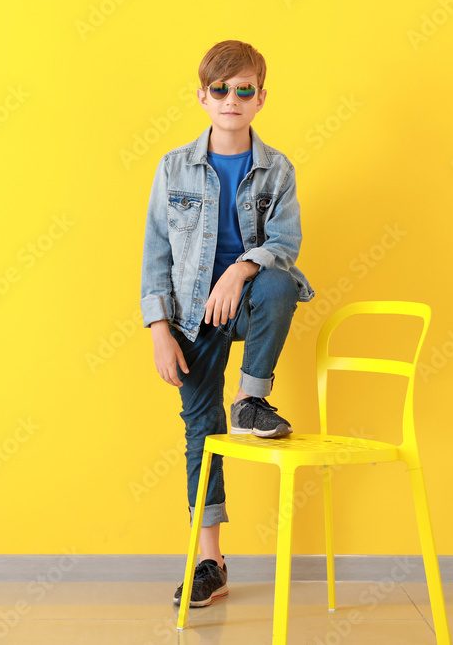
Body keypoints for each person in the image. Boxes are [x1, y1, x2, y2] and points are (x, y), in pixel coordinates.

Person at [139, 40, 315, 608]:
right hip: (190, 319)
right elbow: (156, 256)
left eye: (244, 90)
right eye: (221, 90)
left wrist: (239, 270)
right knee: (201, 432)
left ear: (261, 99)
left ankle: (252, 399)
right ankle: (209, 561)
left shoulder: (277, 169)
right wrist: (160, 331)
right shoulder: (173, 168)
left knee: (280, 280)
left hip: (244, 304)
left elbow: (284, 243)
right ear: (202, 97)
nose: (231, 99)